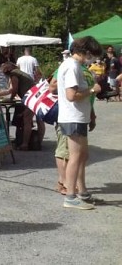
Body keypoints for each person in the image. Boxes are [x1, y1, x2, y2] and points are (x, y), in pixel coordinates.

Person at [57, 36, 102, 210]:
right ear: (87, 52)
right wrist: (92, 89)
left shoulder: (75, 66)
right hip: (72, 117)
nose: (93, 60)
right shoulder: (72, 67)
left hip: (78, 117)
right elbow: (71, 95)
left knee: (82, 155)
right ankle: (70, 196)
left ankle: (82, 191)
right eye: (93, 55)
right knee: (75, 156)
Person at [0, 62, 42, 151]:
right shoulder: (18, 72)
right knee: (30, 120)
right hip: (34, 96)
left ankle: (25, 144)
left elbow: (14, 89)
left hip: (31, 98)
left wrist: (10, 99)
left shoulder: (14, 74)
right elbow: (11, 90)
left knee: (27, 120)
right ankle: (35, 142)